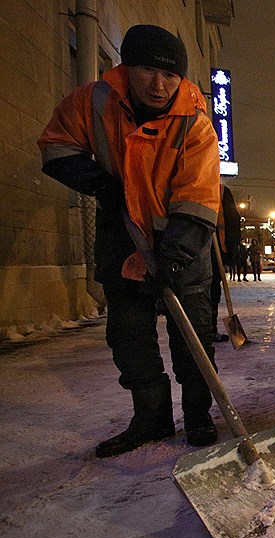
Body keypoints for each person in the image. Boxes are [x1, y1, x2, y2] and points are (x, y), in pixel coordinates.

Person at [38, 24, 221, 457]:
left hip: (183, 245)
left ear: (181, 78)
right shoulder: (95, 101)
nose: (159, 85)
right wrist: (99, 182)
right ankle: (151, 419)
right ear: (126, 68)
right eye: (146, 70)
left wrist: (173, 258)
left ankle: (198, 417)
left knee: (193, 338)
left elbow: (197, 197)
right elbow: (55, 146)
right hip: (121, 238)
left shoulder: (194, 123)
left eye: (170, 75)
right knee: (130, 338)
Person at [211, 184, 241, 342]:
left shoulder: (221, 191)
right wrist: (232, 251)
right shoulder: (221, 190)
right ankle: (209, 330)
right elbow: (234, 221)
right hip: (213, 251)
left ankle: (206, 330)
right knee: (211, 291)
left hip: (211, 248)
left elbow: (232, 220)